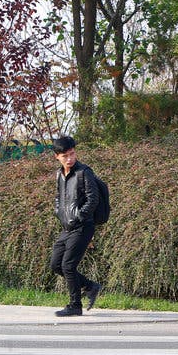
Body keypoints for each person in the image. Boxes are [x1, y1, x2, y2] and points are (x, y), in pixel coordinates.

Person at [50, 136, 102, 317]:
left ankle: (75, 305)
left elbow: (93, 199)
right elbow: (59, 197)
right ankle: (90, 286)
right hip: (67, 227)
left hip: (82, 226)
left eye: (72, 153)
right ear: (57, 156)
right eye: (65, 156)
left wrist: (79, 216)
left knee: (68, 265)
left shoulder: (84, 172)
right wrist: (59, 212)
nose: (70, 158)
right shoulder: (59, 174)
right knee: (56, 264)